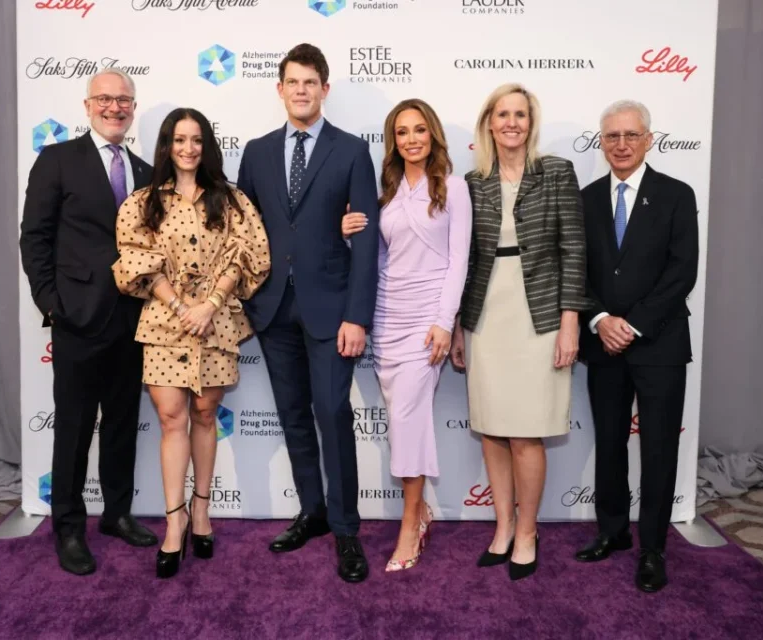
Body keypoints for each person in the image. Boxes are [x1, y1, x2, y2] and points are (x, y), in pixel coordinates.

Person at [236, 43, 380, 583]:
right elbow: (243, 234)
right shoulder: (255, 152)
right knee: (294, 416)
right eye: (292, 82)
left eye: (310, 82)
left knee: (333, 414)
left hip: (332, 310)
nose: (301, 90)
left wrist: (357, 316)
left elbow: (366, 241)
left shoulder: (350, 151)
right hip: (273, 310)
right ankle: (312, 512)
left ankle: (346, 529)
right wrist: (250, 301)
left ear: (325, 88)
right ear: (280, 89)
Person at [112, 108, 270, 579]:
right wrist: (182, 307)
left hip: (216, 322)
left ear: (207, 145)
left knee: (204, 415)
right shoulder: (143, 203)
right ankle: (174, 523)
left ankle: (202, 511)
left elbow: (249, 257)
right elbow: (136, 262)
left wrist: (210, 303)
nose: (188, 148)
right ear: (166, 145)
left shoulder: (232, 200)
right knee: (170, 419)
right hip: (165, 322)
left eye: (196, 139)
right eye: (179, 139)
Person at [20, 68, 158, 576]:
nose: (115, 107)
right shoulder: (57, 159)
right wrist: (52, 303)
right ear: (87, 104)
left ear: (133, 107)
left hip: (134, 321)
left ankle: (117, 514)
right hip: (77, 319)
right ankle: (69, 528)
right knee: (75, 429)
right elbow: (34, 238)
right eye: (105, 98)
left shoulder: (145, 171)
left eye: (124, 100)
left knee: (123, 424)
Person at [449, 83, 589, 581]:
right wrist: (461, 327)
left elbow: (574, 249)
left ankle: (528, 531)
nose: (512, 122)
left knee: (527, 433)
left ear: (531, 123)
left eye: (521, 115)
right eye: (503, 114)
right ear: (490, 122)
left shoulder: (556, 173)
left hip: (541, 318)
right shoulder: (473, 181)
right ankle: (503, 527)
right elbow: (464, 261)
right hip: (487, 315)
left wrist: (570, 321)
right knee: (491, 429)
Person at [341, 99, 471, 572]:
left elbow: (459, 260)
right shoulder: (387, 195)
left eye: (419, 130)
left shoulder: (453, 189)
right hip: (388, 318)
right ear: (392, 141)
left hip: (426, 324)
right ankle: (420, 512)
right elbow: (375, 261)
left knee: (409, 422)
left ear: (433, 135)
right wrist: (347, 232)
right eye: (401, 132)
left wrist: (444, 321)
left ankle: (409, 523)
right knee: (401, 423)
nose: (411, 138)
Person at [574, 100, 698, 594]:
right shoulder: (584, 199)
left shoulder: (675, 194)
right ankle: (612, 531)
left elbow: (681, 271)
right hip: (603, 343)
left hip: (660, 344)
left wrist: (634, 324)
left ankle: (653, 547)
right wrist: (602, 320)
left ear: (649, 139)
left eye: (631, 135)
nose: (621, 145)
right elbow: (574, 270)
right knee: (608, 441)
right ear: (601, 142)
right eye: (612, 137)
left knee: (659, 448)